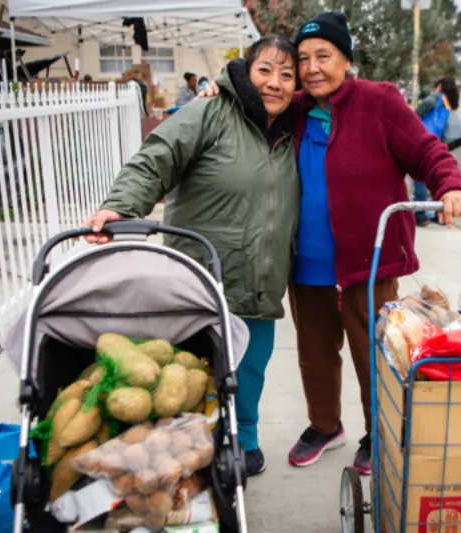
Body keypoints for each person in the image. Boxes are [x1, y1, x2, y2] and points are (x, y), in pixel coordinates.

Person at [197, 11, 461, 477]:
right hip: (305, 263)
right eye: (303, 59)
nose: (310, 68)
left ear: (346, 59)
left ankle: (378, 431)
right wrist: (219, 93)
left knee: (375, 355)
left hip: (368, 263)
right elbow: (249, 99)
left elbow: (427, 149)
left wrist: (451, 184)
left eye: (323, 56)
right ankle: (325, 425)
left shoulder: (379, 101)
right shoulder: (295, 106)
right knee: (315, 354)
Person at [82, 36, 301, 477]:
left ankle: (246, 438)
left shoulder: (295, 125)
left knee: (251, 368)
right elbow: (157, 157)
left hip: (262, 278)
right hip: (203, 275)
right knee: (189, 371)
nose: (274, 83)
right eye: (264, 71)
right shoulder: (211, 110)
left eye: (286, 74)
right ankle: (189, 442)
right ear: (244, 71)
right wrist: (123, 203)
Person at [413, 77, 461, 226]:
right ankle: (439, 213)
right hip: (438, 143)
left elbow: (414, 115)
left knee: (420, 180)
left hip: (423, 141)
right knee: (435, 180)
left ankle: (420, 214)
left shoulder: (435, 98)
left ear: (439, 86)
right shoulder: (449, 103)